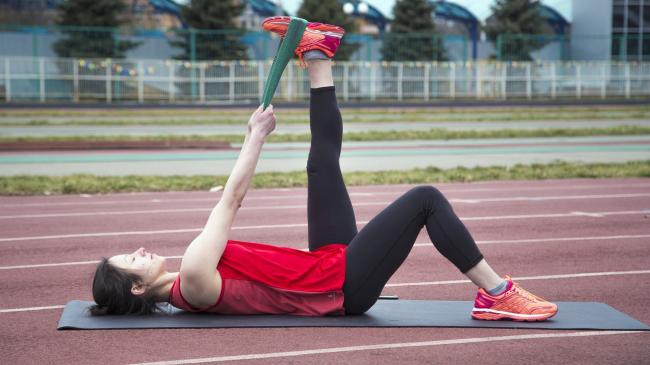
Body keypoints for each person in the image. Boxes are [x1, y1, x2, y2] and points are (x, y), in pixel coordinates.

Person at [90, 17, 557, 322]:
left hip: (324, 264)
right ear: (136, 287)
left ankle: (317, 56)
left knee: (322, 164)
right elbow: (230, 199)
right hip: (342, 288)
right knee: (426, 199)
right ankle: (495, 292)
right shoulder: (192, 274)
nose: (141, 250)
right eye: (132, 259)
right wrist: (255, 138)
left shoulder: (186, 287)